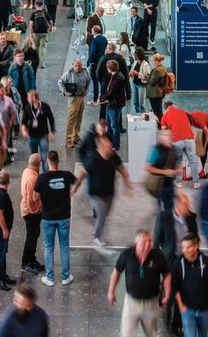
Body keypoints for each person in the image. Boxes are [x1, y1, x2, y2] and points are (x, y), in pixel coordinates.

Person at [107, 229, 171, 337]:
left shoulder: (157, 255)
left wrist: (167, 293)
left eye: (150, 241)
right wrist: (111, 291)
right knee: (127, 333)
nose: (148, 245)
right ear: (136, 243)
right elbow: (116, 272)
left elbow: (167, 274)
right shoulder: (127, 255)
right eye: (144, 242)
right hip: (131, 303)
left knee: (151, 334)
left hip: (151, 303)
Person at [74, 132, 131, 247]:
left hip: (109, 192)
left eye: (111, 146)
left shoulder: (113, 157)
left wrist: (127, 184)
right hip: (95, 193)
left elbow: (122, 170)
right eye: (108, 147)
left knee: (105, 215)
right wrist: (75, 188)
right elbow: (82, 173)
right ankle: (97, 237)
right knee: (101, 213)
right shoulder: (93, 159)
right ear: (100, 147)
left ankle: (97, 228)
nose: (110, 148)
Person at [34, 151, 77, 287]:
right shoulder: (66, 175)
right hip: (64, 217)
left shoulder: (42, 178)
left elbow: (35, 197)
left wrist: (41, 203)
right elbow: (77, 182)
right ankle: (65, 277)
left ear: (47, 161)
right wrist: (72, 192)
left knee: (48, 247)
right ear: (58, 161)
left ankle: (50, 278)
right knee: (64, 246)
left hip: (48, 217)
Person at [172, 234, 208, 337]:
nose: (184, 250)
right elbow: (174, 286)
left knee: (202, 334)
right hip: (187, 310)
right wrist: (181, 306)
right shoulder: (178, 262)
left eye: (188, 247)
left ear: (195, 247)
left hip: (204, 309)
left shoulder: (207, 262)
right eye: (182, 247)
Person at [161, 101, 202, 189]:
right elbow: (187, 124)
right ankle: (196, 182)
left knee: (178, 161)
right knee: (192, 161)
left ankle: (179, 182)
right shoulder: (182, 112)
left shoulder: (164, 117)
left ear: (166, 108)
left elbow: (165, 133)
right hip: (190, 139)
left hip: (177, 141)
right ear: (172, 105)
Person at [19, 91, 56, 172]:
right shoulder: (28, 107)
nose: (27, 99)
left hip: (43, 136)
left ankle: (45, 175)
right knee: (34, 158)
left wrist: (52, 132)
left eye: (28, 97)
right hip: (32, 136)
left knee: (44, 158)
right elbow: (23, 121)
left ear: (34, 98)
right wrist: (24, 130)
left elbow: (51, 119)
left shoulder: (45, 106)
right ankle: (35, 175)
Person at [59, 59, 91, 148]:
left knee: (79, 118)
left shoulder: (84, 71)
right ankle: (68, 140)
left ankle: (76, 137)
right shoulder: (68, 73)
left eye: (79, 66)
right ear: (73, 65)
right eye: (76, 66)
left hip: (81, 97)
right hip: (73, 99)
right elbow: (60, 82)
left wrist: (87, 90)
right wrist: (65, 92)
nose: (78, 68)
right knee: (71, 120)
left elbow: (88, 80)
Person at [98, 59, 127, 150]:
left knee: (114, 126)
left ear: (110, 68)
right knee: (109, 124)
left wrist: (102, 98)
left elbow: (111, 91)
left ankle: (116, 145)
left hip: (115, 104)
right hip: (113, 103)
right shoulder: (116, 75)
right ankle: (110, 142)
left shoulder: (118, 78)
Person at [145, 53, 168, 118]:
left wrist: (146, 76)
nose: (153, 62)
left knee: (157, 111)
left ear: (157, 61)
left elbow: (152, 82)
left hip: (155, 93)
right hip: (159, 92)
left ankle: (160, 125)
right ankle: (161, 124)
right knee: (159, 110)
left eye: (153, 61)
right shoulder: (162, 68)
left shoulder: (156, 70)